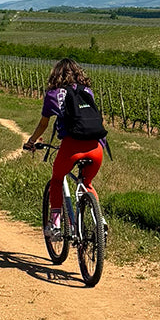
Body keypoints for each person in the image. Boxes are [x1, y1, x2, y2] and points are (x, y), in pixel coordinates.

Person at [23, 58, 105, 237]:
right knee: (87, 184)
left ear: (56, 74)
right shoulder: (87, 91)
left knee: (57, 179)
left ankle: (55, 225)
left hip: (71, 148)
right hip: (96, 147)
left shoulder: (54, 94)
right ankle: (100, 223)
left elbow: (44, 124)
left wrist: (31, 141)